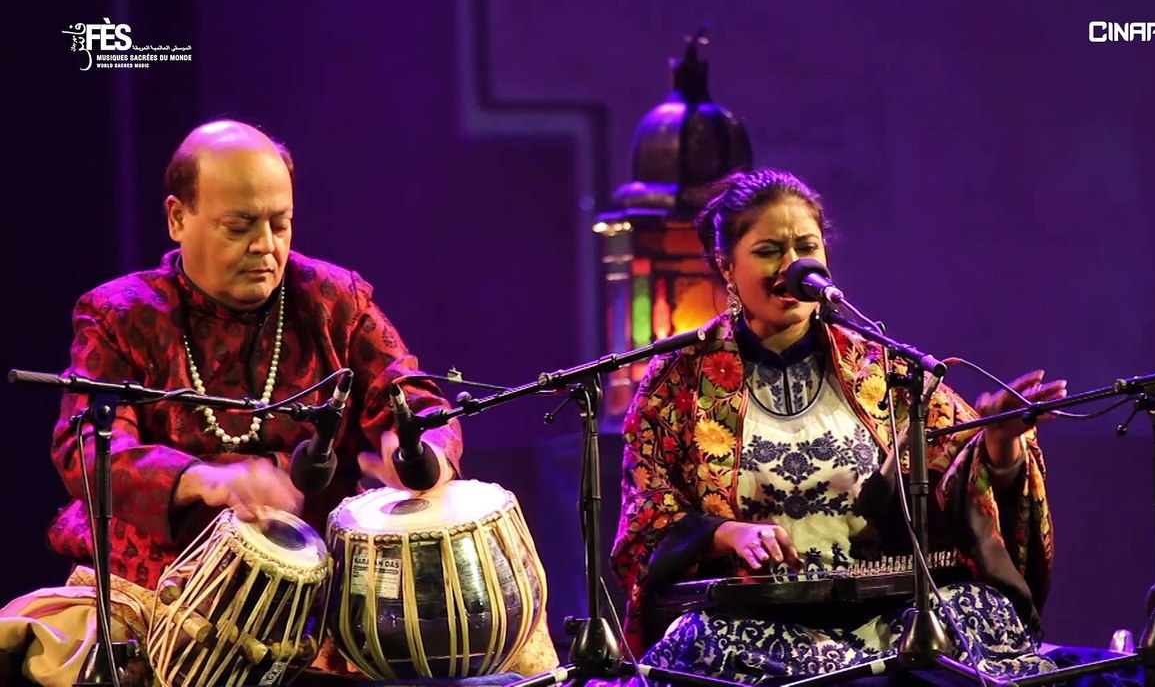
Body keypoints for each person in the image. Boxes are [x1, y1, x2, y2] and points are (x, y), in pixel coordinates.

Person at [0, 119, 557, 686]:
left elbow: (408, 395)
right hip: (154, 596)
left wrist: (417, 449)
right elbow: (85, 451)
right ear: (177, 218)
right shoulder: (120, 314)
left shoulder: (332, 301)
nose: (266, 246)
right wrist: (203, 480)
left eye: (280, 223)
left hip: (319, 605)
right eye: (239, 226)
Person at [609, 168, 1068, 683]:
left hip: (886, 613)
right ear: (726, 265)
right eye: (768, 251)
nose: (792, 265)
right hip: (760, 621)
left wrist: (998, 444)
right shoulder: (677, 379)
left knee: (974, 614)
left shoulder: (885, 368)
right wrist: (724, 533)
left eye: (806, 246)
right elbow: (645, 527)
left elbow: (953, 480)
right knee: (701, 647)